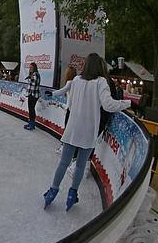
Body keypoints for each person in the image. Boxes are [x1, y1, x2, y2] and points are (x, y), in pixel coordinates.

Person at [43, 53, 131, 211]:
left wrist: (50, 94)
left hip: (73, 129)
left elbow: (63, 90)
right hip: (89, 132)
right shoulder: (101, 82)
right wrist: (127, 103)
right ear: (99, 66)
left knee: (63, 163)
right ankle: (72, 194)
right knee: (80, 165)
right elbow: (109, 105)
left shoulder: (76, 80)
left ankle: (52, 190)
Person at [23, 62, 41, 130]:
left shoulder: (35, 74)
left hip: (33, 95)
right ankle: (31, 123)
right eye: (29, 67)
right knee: (31, 109)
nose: (30, 69)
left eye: (31, 67)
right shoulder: (33, 74)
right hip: (32, 94)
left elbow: (33, 84)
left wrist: (29, 78)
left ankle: (32, 124)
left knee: (31, 109)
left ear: (34, 68)